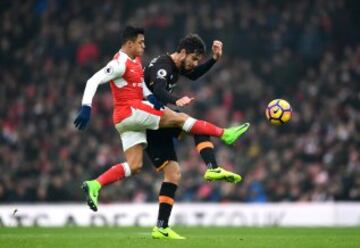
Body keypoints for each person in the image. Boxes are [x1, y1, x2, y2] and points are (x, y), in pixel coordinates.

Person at [74, 26, 249, 237]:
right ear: (129, 44)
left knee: (137, 165)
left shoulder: (136, 62)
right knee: (182, 119)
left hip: (127, 120)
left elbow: (175, 80)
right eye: (140, 43)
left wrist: (213, 59)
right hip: (133, 111)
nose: (144, 46)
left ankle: (96, 185)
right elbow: (93, 80)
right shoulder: (120, 63)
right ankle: (225, 135)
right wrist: (86, 107)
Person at [144, 34, 249, 239]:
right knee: (188, 121)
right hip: (148, 120)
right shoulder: (163, 65)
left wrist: (214, 59)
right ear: (182, 52)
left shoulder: (177, 65)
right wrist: (176, 99)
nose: (194, 64)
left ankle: (161, 227)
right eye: (193, 59)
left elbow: (193, 75)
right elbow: (157, 89)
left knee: (173, 174)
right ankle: (224, 136)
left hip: (157, 119)